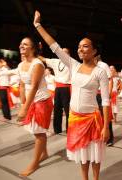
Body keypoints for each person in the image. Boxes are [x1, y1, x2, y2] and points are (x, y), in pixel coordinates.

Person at [34, 11, 110, 180]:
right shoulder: (73, 65)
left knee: (95, 154)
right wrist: (38, 25)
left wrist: (106, 126)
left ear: (94, 50)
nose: (80, 48)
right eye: (79, 46)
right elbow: (54, 46)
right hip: (75, 118)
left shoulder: (100, 72)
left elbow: (105, 100)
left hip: (93, 119)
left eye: (85, 46)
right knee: (83, 153)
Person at [17, 37, 53, 176]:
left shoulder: (37, 64)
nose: (21, 46)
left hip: (41, 102)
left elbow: (33, 88)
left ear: (32, 48)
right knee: (36, 131)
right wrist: (23, 104)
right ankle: (44, 154)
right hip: (31, 102)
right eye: (21, 44)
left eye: (25, 44)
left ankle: (35, 163)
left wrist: (25, 108)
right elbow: (21, 86)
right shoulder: (21, 65)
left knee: (39, 133)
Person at [38, 48, 71, 134]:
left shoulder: (71, 62)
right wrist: (36, 51)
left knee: (68, 110)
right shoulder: (55, 61)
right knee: (57, 109)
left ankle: (69, 129)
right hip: (58, 88)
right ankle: (57, 129)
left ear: (68, 54)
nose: (62, 53)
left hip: (67, 88)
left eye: (65, 52)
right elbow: (42, 59)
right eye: (61, 52)